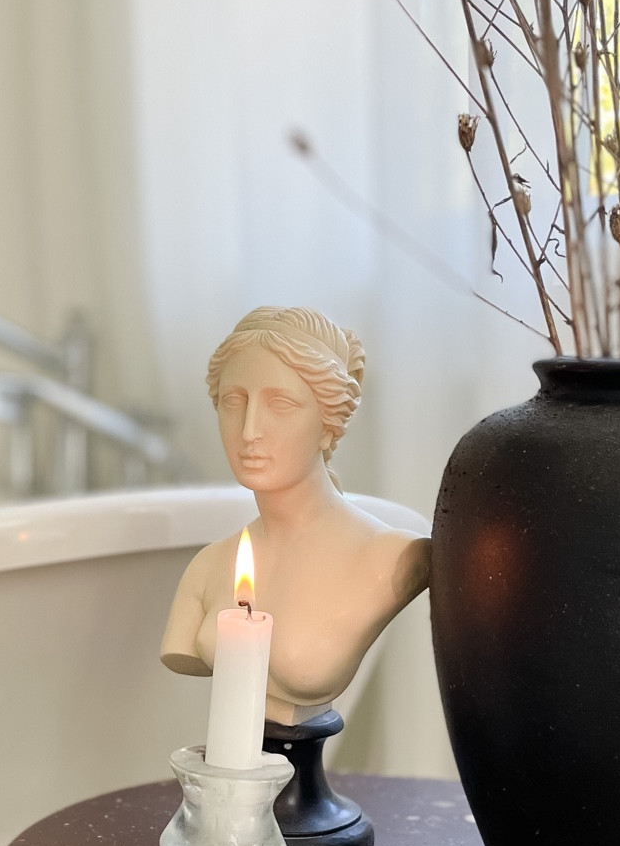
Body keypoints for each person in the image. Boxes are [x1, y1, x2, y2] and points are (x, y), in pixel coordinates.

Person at [160, 306, 430, 725]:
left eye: (280, 404)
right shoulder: (209, 567)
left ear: (328, 425)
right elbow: (181, 653)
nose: (249, 430)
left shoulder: (393, 558)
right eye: (234, 401)